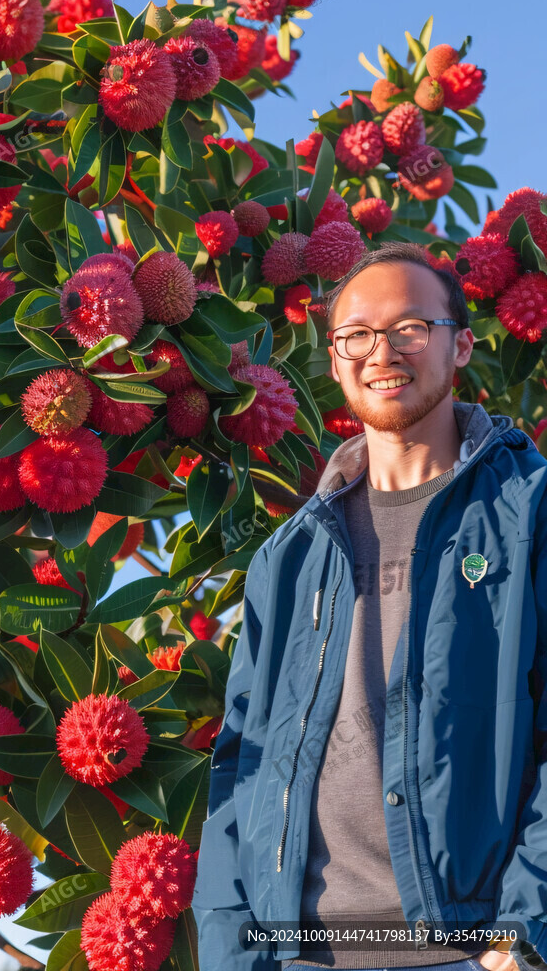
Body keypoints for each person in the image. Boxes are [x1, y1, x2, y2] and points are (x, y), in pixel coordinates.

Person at [193, 243, 547, 971]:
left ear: (463, 346)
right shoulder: (287, 558)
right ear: (333, 357)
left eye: (411, 327)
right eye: (357, 334)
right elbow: (239, 768)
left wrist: (525, 930)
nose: (382, 351)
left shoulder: (530, 512)